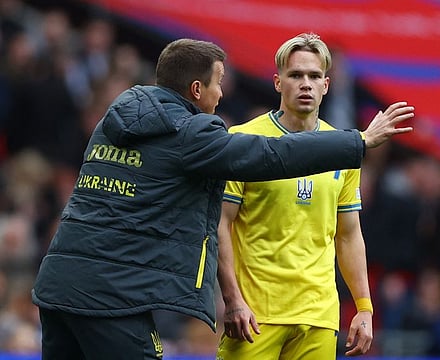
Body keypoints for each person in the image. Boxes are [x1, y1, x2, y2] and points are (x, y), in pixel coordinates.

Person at [31, 37, 414, 360]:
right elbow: (273, 156)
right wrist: (359, 141)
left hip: (58, 286)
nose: (223, 92)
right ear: (196, 90)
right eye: (218, 83)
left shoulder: (112, 124)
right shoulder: (190, 135)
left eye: (315, 76)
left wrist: (363, 305)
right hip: (113, 297)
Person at [216, 33, 393, 360]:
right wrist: (232, 300)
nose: (305, 83)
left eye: (314, 76)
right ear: (277, 82)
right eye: (295, 75)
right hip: (256, 315)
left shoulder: (343, 148)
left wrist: (364, 307)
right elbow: (220, 225)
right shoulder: (243, 141)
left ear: (326, 85)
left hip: (318, 317)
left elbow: (349, 234)